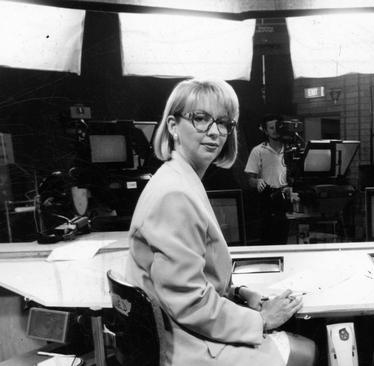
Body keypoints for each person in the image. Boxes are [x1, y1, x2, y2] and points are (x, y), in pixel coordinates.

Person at [125, 79, 315, 366]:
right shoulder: (174, 194)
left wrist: (238, 294)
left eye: (224, 123)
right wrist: (260, 319)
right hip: (187, 347)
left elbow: (192, 281)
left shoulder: (179, 178)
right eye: (200, 118)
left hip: (187, 332)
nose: (215, 132)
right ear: (173, 126)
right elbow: (189, 302)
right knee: (306, 350)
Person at [245, 114, 295, 245]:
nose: (275, 130)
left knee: (285, 237)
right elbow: (249, 179)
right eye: (271, 128)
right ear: (266, 131)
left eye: (277, 127)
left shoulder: (290, 150)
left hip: (286, 197)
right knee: (268, 238)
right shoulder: (258, 151)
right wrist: (257, 181)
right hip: (267, 198)